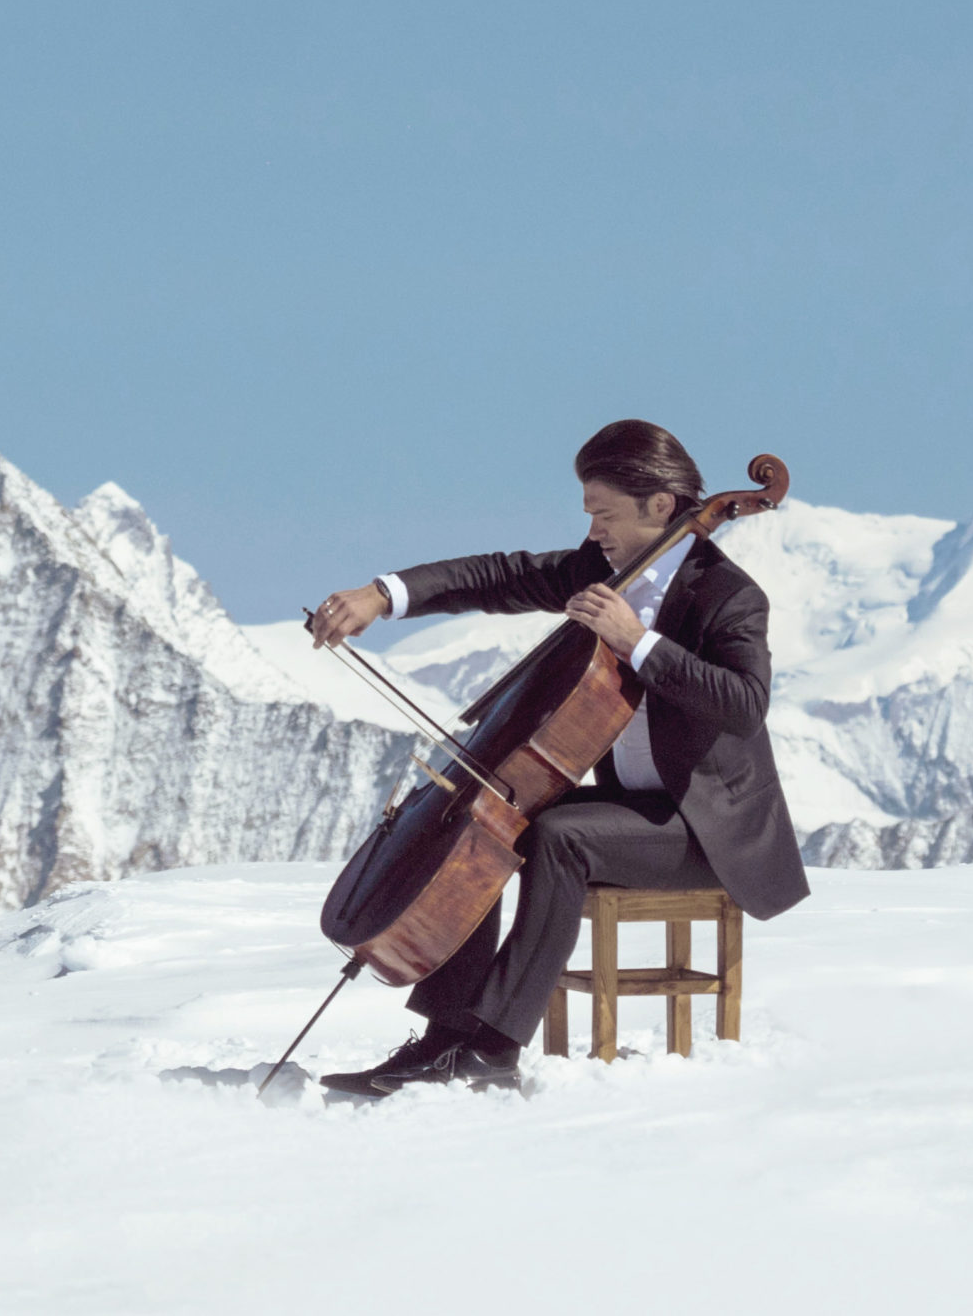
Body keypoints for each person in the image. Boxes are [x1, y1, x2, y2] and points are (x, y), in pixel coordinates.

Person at [304, 419, 809, 1095]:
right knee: (495, 818)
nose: (594, 531)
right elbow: (498, 576)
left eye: (604, 514)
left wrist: (638, 643)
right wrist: (381, 595)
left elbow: (744, 702)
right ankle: (446, 1036)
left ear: (660, 506)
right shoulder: (603, 572)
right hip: (630, 810)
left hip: (705, 833)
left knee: (560, 835)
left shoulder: (728, 596)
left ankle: (495, 1048)